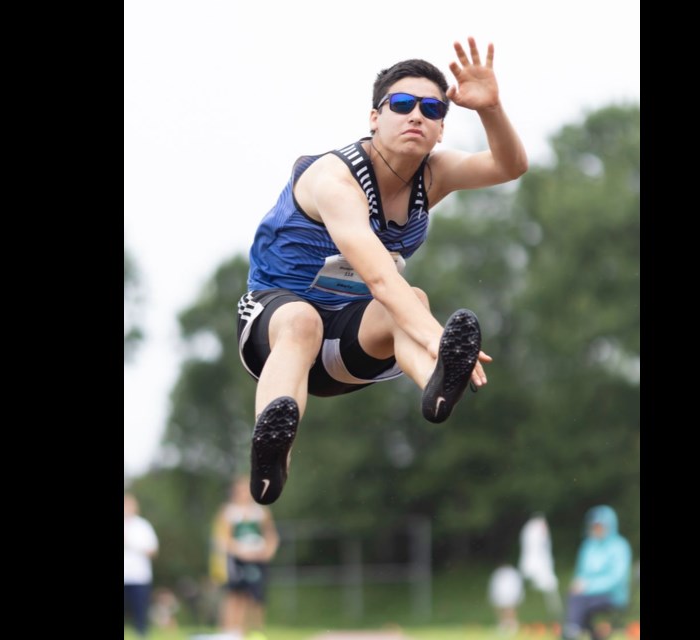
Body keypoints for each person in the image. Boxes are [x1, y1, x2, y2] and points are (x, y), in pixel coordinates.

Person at [236, 36, 528, 505]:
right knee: (310, 319)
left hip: (346, 352)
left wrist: (491, 109)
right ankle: (273, 457)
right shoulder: (335, 179)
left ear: (440, 130)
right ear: (375, 117)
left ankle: (438, 384)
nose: (417, 115)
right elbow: (377, 277)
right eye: (402, 104)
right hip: (275, 336)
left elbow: (509, 166)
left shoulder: (433, 175)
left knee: (411, 303)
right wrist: (436, 335)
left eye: (432, 110)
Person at [211, 475, 280, 639]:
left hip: (258, 559)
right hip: (237, 560)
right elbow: (222, 538)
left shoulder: (261, 511)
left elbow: (271, 534)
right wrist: (241, 551)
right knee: (235, 595)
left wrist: (268, 551)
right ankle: (231, 632)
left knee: (257, 597)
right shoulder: (228, 512)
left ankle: (256, 631)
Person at [561, 505, 632, 640]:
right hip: (586, 595)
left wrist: (588, 586)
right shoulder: (588, 546)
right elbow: (581, 572)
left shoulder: (620, 546)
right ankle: (576, 630)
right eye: (594, 526)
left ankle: (572, 630)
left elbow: (617, 578)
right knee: (575, 595)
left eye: (600, 526)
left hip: (612, 594)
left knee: (578, 599)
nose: (597, 529)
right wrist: (579, 584)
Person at [124, 492, 159, 638]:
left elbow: (153, 550)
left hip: (139, 576)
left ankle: (141, 635)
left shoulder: (143, 525)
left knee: (140, 612)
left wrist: (132, 544)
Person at [518, 513, 562, 618]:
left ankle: (555, 614)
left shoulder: (531, 532)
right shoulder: (533, 532)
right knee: (548, 585)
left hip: (540, 565)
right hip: (536, 566)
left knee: (549, 587)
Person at [488, 564, 525, 635]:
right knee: (502, 610)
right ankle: (502, 625)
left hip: (511, 595)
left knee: (510, 609)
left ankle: (512, 626)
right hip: (501, 595)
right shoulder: (498, 573)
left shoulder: (513, 574)